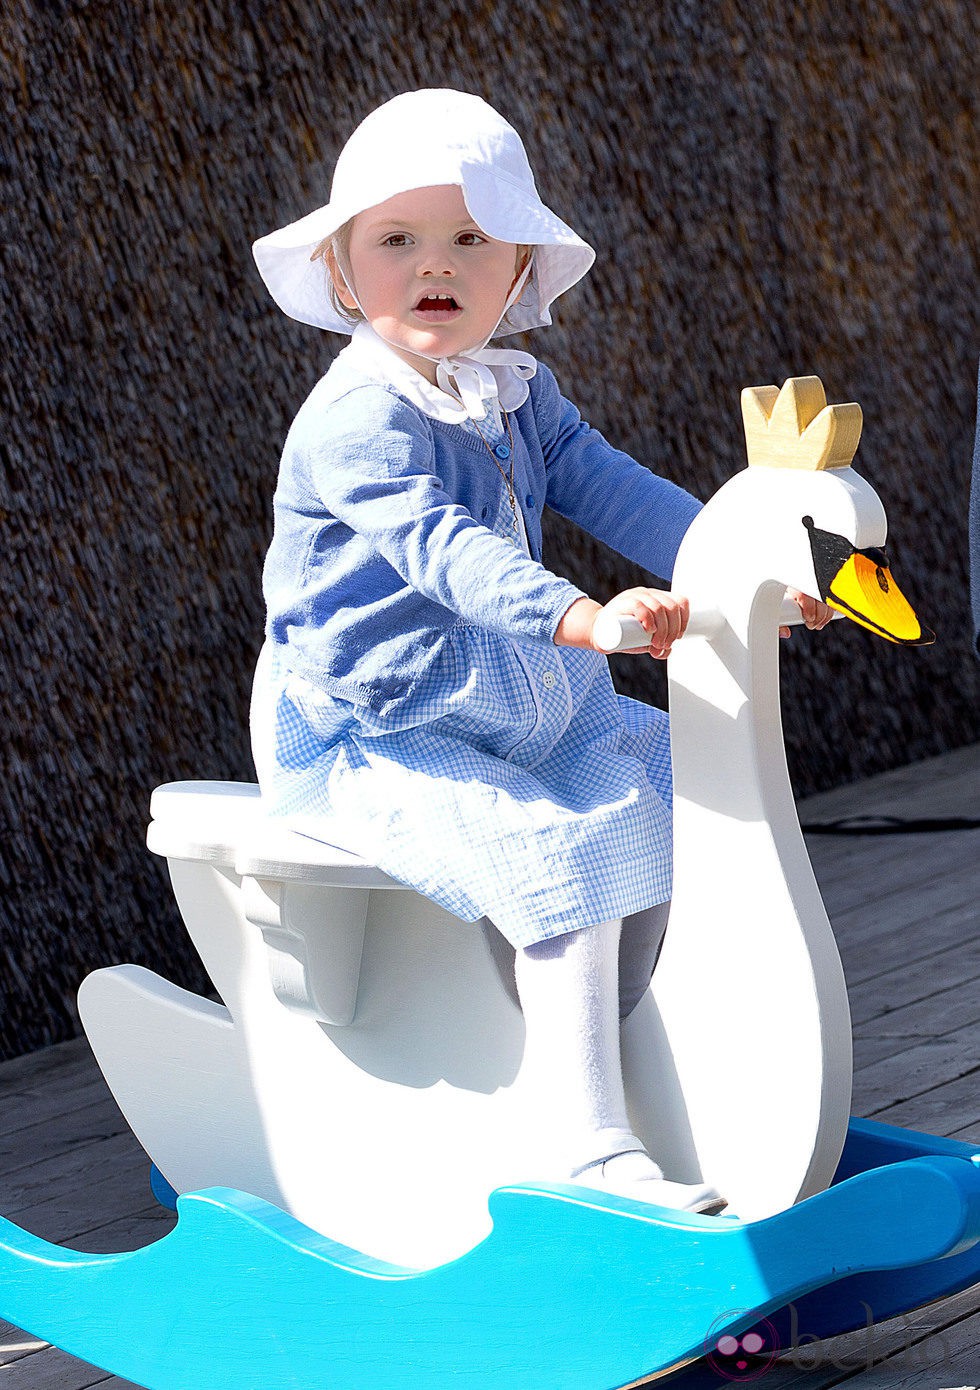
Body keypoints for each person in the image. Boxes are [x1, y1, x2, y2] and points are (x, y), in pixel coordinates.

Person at [250, 88, 830, 1215]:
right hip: (388, 725)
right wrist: (577, 615)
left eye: (472, 239)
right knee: (564, 845)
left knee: (681, 778)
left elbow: (609, 484)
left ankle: (656, 1043)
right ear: (341, 269)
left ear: (520, 273)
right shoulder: (356, 421)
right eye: (398, 240)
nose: (437, 265)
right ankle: (588, 1146)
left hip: (526, 699)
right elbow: (442, 550)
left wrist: (747, 563)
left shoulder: (518, 392)